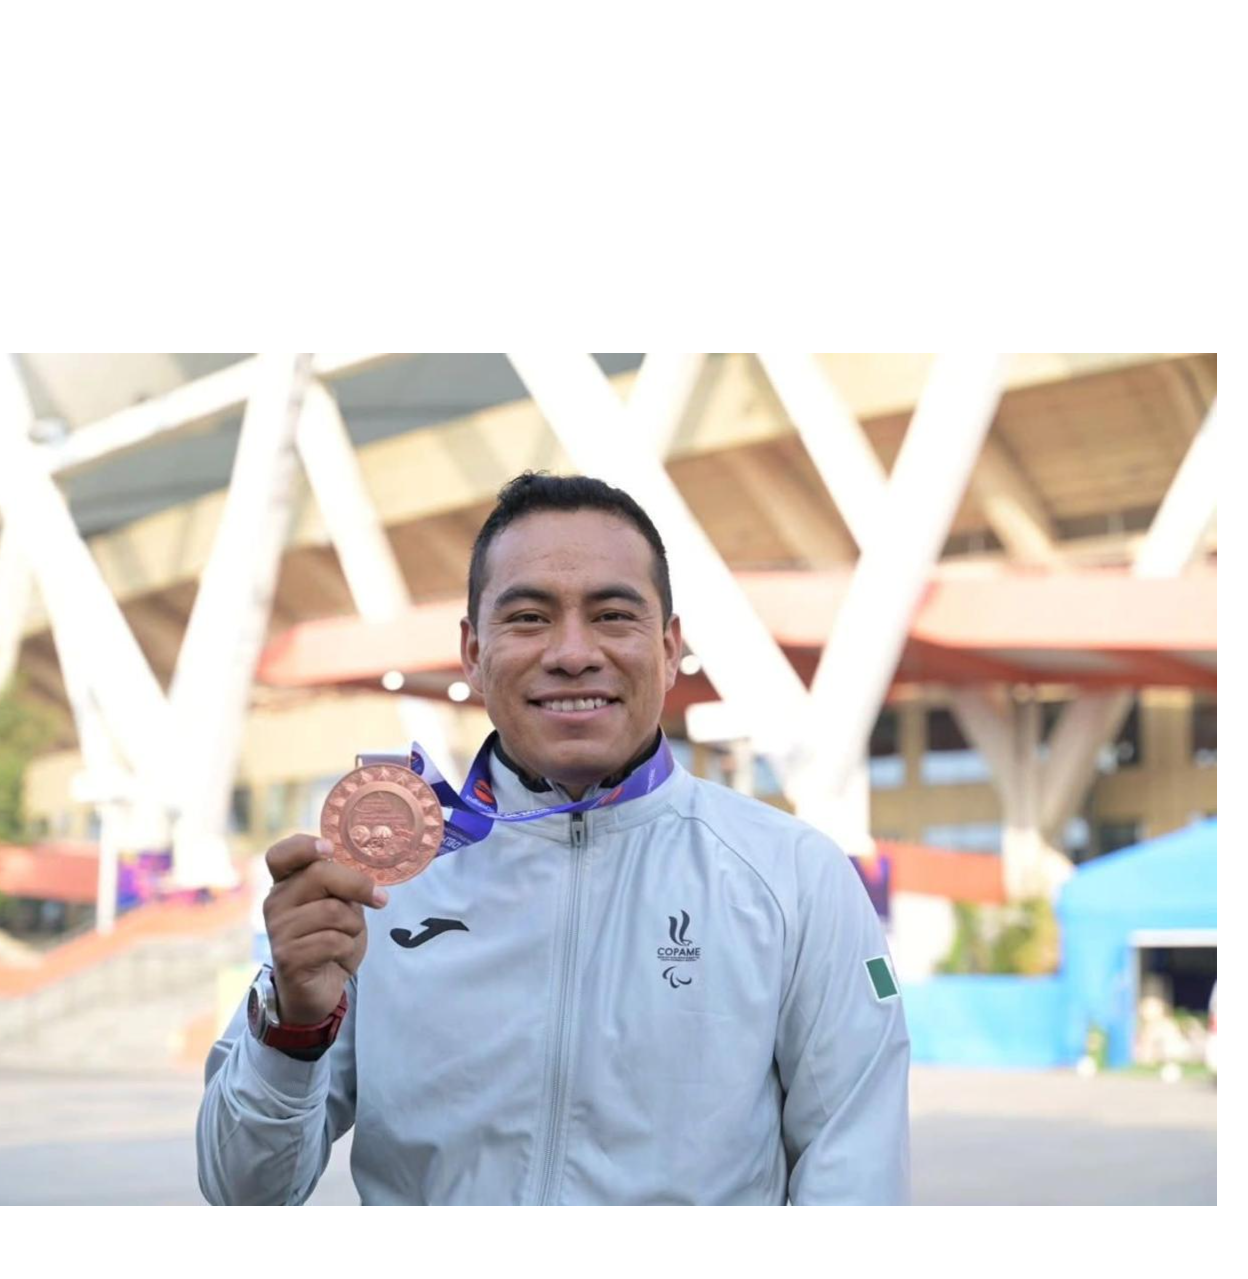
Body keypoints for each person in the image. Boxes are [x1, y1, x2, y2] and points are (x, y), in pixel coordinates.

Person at [197, 471, 910, 1205]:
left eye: (611, 615)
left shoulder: (793, 876)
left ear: (668, 649)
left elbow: (852, 1169)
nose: (572, 652)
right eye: (529, 617)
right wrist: (294, 1025)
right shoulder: (377, 881)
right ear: (473, 652)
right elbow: (242, 1190)